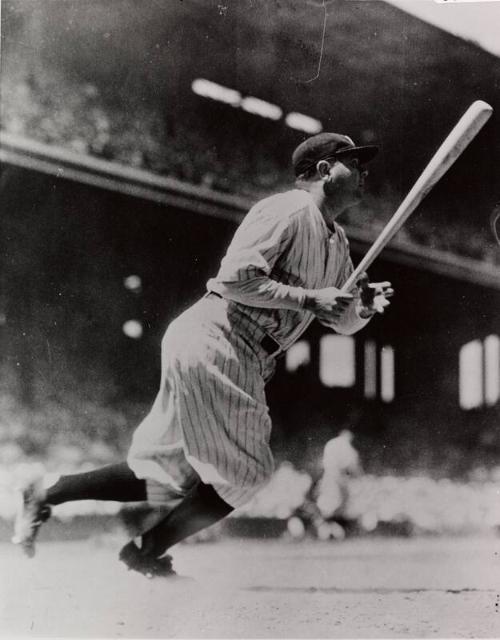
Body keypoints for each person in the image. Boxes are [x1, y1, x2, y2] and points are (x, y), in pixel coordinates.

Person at [12, 132, 394, 578]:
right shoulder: (285, 210)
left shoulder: (340, 244)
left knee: (166, 475)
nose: (365, 172)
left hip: (232, 346)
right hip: (223, 333)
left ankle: (47, 494)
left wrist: (361, 308)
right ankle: (145, 550)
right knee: (247, 473)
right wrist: (310, 299)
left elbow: (339, 319)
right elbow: (236, 279)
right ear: (325, 170)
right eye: (354, 162)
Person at [314, 429, 363, 540]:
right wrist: (359, 476)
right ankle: (331, 529)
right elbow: (351, 465)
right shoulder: (346, 446)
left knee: (328, 503)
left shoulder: (330, 443)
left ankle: (328, 529)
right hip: (338, 476)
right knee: (337, 503)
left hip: (328, 476)